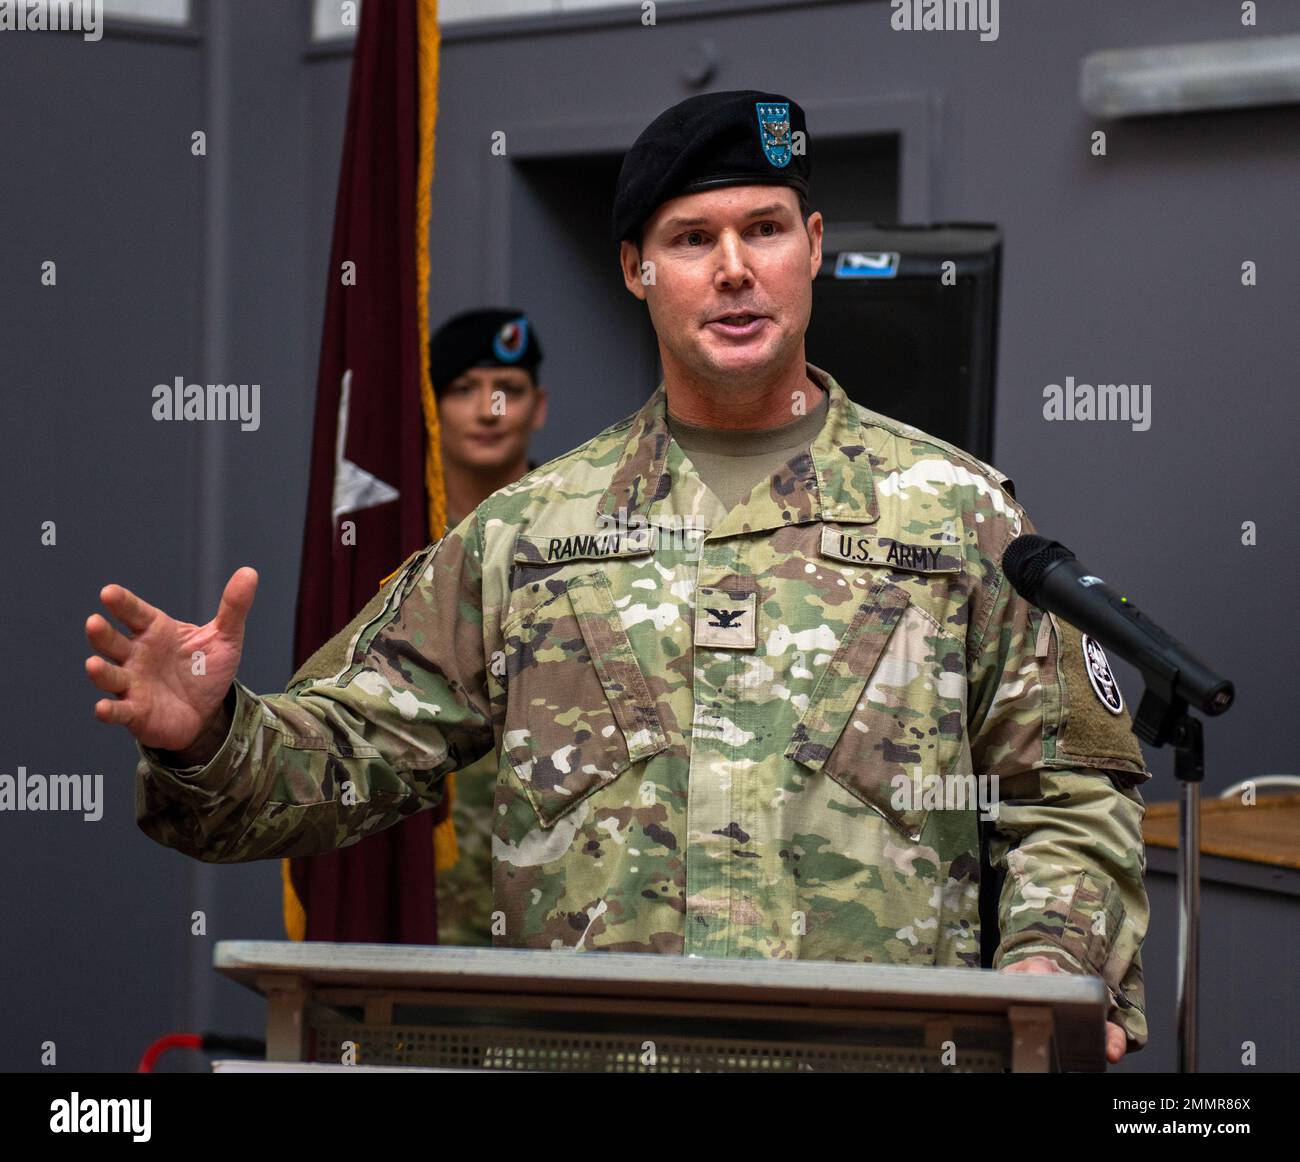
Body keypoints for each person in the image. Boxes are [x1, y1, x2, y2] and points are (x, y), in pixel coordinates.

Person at [85, 90, 1151, 1066]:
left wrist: (1051, 966)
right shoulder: (529, 534)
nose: (734, 268)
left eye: (764, 229)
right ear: (636, 269)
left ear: (814, 247)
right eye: (692, 239)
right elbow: (358, 748)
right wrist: (211, 733)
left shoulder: (960, 514)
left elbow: (1066, 793)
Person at [427, 307, 547, 946]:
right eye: (463, 389)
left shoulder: (581, 541)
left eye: (510, 390)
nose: (489, 409)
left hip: (542, 878)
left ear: (540, 407)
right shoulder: (391, 544)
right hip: (423, 870)